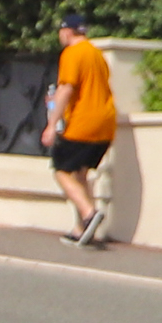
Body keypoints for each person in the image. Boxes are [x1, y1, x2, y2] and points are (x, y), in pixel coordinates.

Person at [43, 12, 116, 247]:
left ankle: (89, 213)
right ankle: (81, 230)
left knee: (61, 169)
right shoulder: (96, 54)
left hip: (83, 122)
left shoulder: (72, 53)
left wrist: (52, 124)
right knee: (80, 174)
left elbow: (66, 89)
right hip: (105, 124)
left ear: (67, 31)